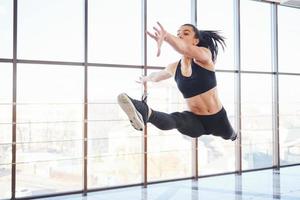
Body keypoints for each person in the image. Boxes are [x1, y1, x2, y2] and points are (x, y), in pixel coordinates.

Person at [117, 22, 237, 141]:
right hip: (196, 120)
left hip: (218, 119)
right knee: (177, 120)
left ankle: (233, 135)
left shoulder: (204, 57)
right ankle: (145, 112)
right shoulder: (174, 68)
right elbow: (156, 76)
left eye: (186, 33)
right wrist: (145, 79)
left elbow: (185, 48)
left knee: (230, 135)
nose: (180, 36)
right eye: (178, 34)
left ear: (195, 41)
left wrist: (166, 36)